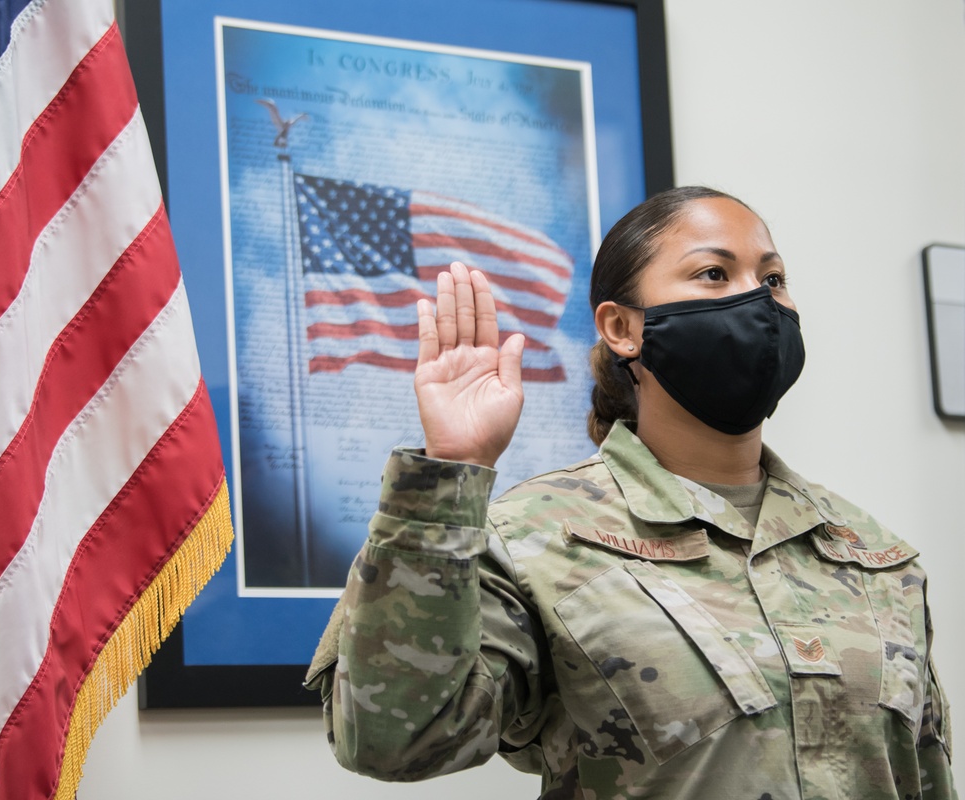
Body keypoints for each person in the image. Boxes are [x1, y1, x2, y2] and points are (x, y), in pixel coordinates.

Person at [305, 186, 957, 799]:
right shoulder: (534, 538)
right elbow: (392, 739)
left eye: (774, 278)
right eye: (714, 274)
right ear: (622, 328)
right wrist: (450, 469)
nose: (758, 299)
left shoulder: (872, 553)